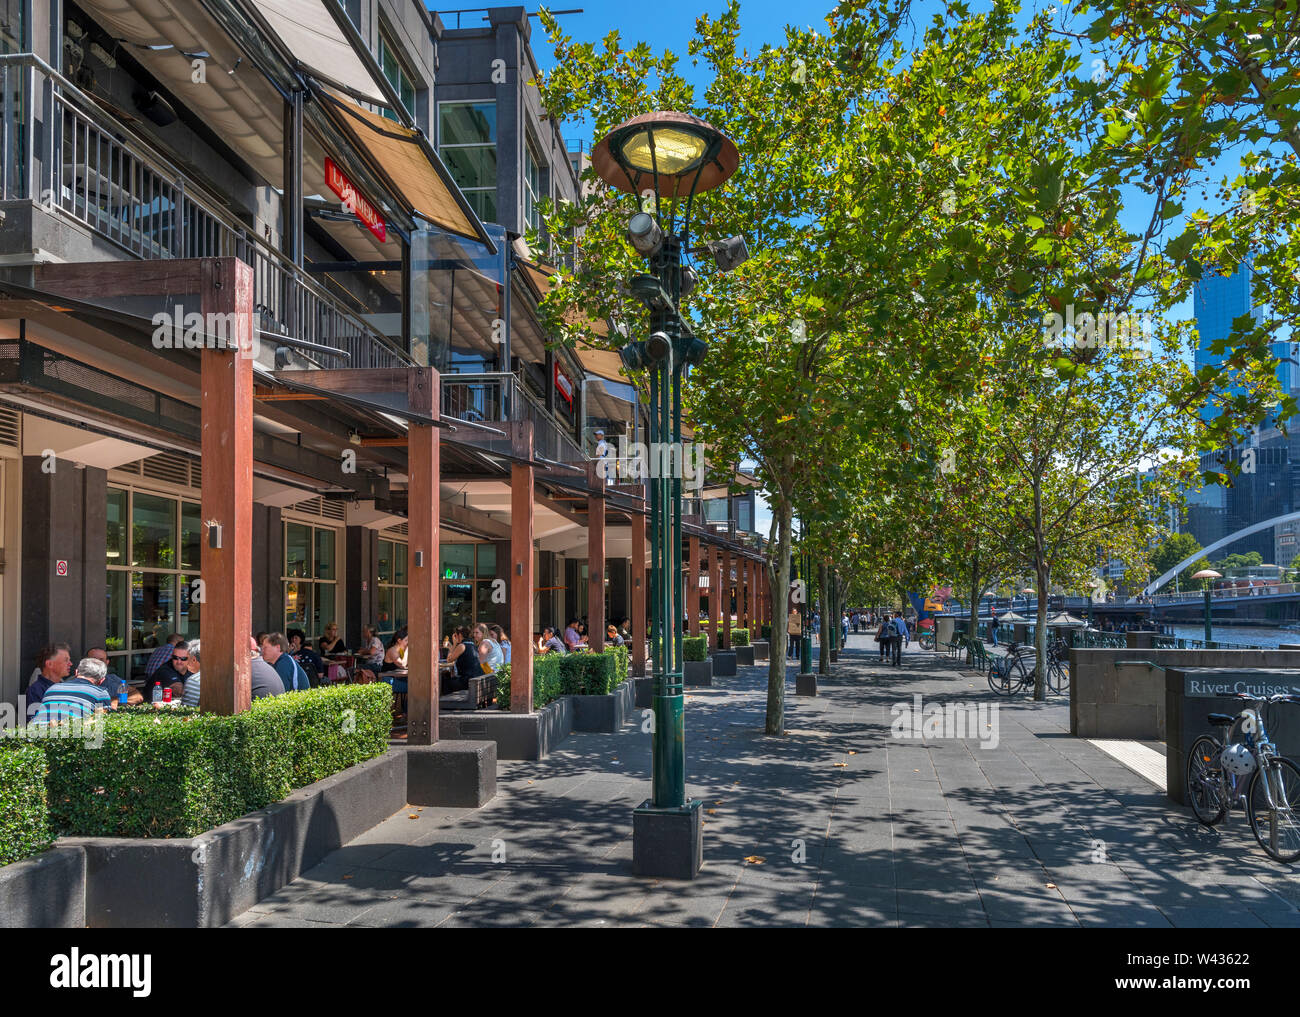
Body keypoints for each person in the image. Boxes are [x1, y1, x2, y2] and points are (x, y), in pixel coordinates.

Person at [28, 656, 115, 725]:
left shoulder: (53, 688)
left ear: (76, 673)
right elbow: (102, 723)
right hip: (69, 737)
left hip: (37, 735)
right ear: (102, 680)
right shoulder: (100, 693)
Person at [446, 626, 479, 691]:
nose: (454, 637)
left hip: (467, 681)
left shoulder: (462, 646)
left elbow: (449, 660)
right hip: (473, 679)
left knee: (444, 682)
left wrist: (454, 644)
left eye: (455, 635)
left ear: (460, 635)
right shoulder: (473, 645)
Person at [379, 628, 409, 695]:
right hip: (388, 681)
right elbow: (403, 664)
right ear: (399, 640)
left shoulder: (400, 650)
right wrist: (407, 650)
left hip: (397, 678)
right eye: (406, 640)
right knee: (413, 688)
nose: (408, 643)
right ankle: (407, 705)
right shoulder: (392, 651)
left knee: (414, 683)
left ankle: (406, 704)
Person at [181, 640, 203, 707]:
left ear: (194, 660)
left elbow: (187, 711)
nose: (185, 662)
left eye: (186, 658)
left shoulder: (194, 681)